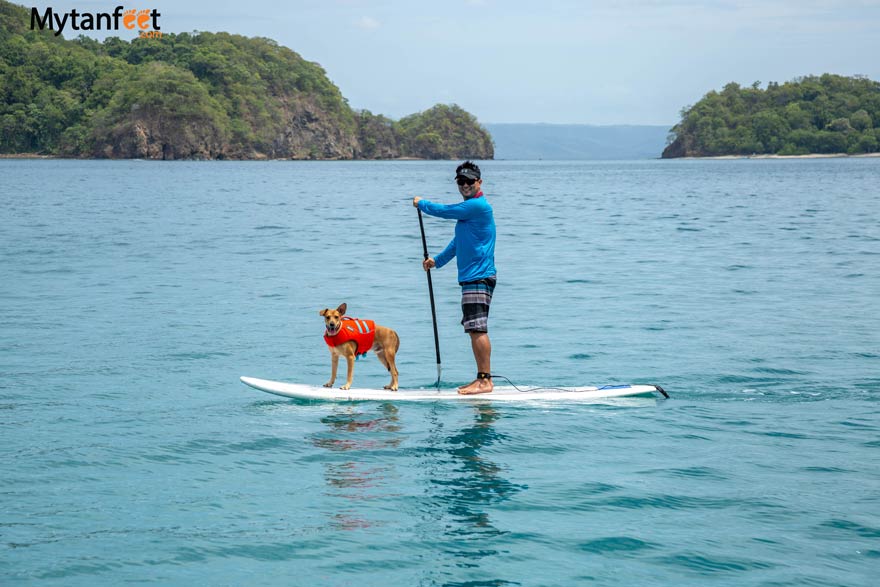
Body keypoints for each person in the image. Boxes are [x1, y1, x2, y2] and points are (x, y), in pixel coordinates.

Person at [413, 161, 497, 395]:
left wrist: (422, 204)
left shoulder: (478, 206)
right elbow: (457, 244)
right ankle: (482, 379)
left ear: (479, 182)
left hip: (479, 276)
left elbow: (445, 211)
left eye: (470, 181)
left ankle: (484, 381)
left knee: (478, 329)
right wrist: (437, 261)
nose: (465, 185)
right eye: (461, 181)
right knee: (473, 329)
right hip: (472, 277)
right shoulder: (469, 211)